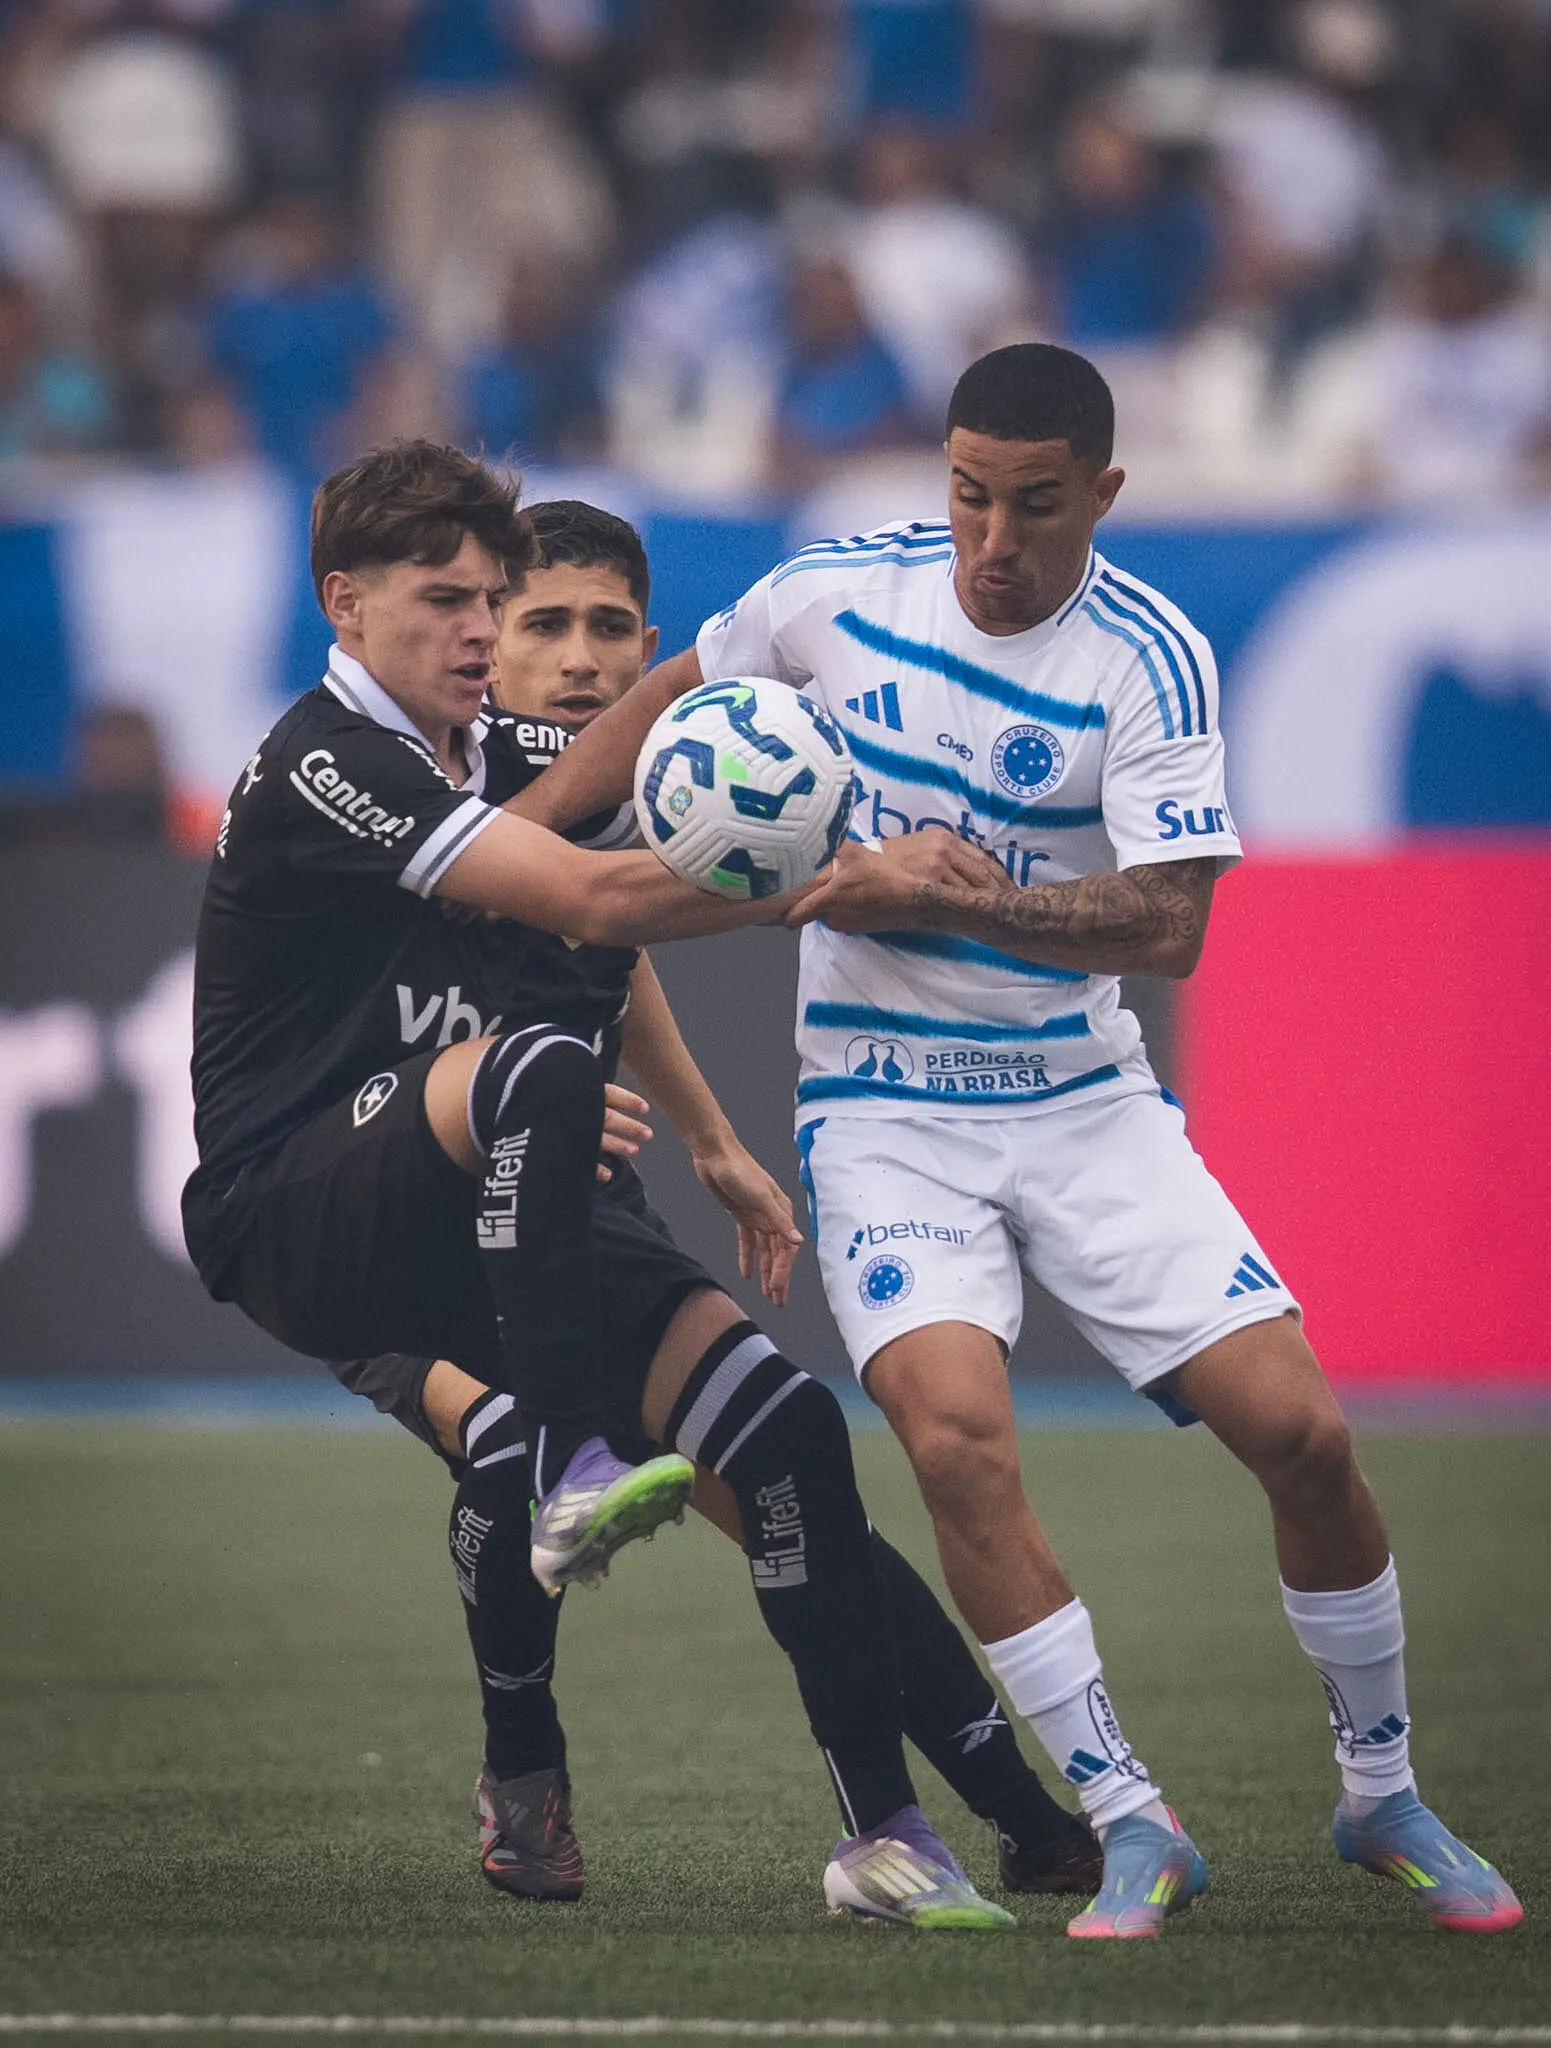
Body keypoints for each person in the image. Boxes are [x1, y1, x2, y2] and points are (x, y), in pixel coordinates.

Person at [518, 345, 1525, 1941]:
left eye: (1034, 506)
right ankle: (1131, 1823)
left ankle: (1380, 1789)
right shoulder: (828, 599)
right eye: (968, 495)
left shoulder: (1149, 658)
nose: (993, 538)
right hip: (880, 1109)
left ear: (1102, 496)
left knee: (1306, 1439)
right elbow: (667, 695)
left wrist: (956, 894)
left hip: (1080, 1099)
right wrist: (526, 848)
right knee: (949, 1438)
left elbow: (1170, 923)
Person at [183, 442, 1017, 1931]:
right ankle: (554, 1538)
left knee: (791, 1439)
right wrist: (829, 863)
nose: (485, 635)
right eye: (456, 603)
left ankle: (890, 1839)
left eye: (494, 603)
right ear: (345, 605)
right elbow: (586, 897)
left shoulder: (498, 763)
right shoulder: (327, 758)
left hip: (499, 1198)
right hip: (299, 1203)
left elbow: (613, 943)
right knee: (536, 1090)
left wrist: (710, 1131)